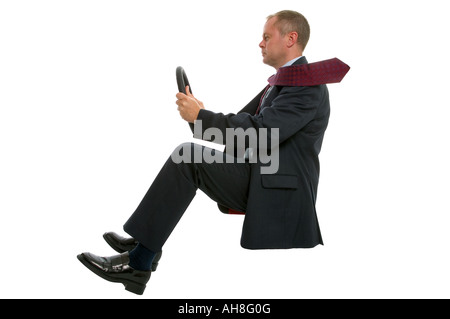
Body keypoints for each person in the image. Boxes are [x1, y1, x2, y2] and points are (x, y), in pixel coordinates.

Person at [78, 10, 331, 295]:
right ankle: (144, 243)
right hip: (262, 172)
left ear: (291, 38)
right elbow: (243, 126)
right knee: (188, 158)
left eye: (266, 37)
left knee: (188, 158)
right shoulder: (282, 83)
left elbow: (260, 133)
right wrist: (199, 115)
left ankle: (139, 262)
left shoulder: (306, 85)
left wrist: (201, 117)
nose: (260, 43)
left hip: (279, 188)